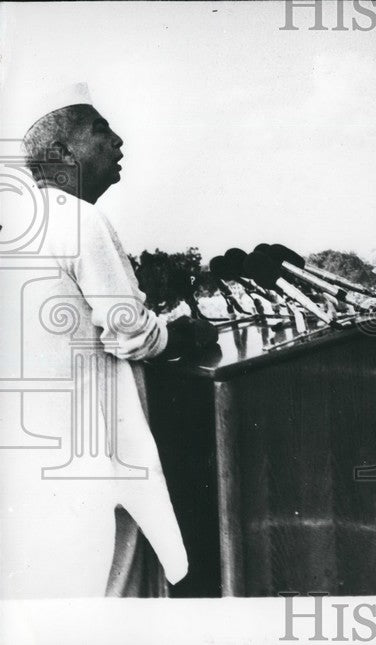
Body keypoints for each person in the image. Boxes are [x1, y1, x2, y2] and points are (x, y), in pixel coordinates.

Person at [0, 83, 218, 598]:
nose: (117, 141)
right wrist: (185, 333)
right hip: (95, 462)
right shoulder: (78, 217)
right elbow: (129, 332)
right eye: (100, 130)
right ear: (61, 153)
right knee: (116, 594)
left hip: (30, 465)